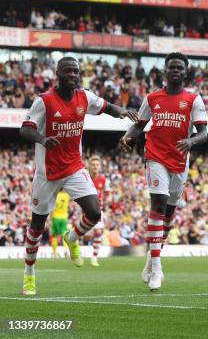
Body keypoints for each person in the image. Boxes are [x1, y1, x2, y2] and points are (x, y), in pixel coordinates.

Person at [19, 56, 138, 295]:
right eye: (68, 71)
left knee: (94, 212)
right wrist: (43, 139)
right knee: (37, 226)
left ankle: (72, 237)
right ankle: (29, 275)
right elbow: (25, 129)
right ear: (57, 73)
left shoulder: (84, 97)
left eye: (76, 71)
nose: (73, 75)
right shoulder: (44, 101)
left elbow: (106, 107)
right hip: (48, 173)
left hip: (74, 166)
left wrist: (124, 112)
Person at [119, 52, 208, 292]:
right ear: (165, 71)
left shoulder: (193, 99)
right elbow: (140, 124)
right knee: (157, 203)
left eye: (180, 68)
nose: (176, 71)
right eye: (172, 67)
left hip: (180, 159)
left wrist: (191, 142)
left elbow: (203, 133)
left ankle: (151, 258)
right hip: (155, 155)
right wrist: (128, 136)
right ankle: (157, 268)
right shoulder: (152, 97)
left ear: (185, 72)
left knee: (168, 215)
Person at [88, 155, 106, 266]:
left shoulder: (103, 180)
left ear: (100, 167)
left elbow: (106, 194)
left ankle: (94, 257)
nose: (95, 167)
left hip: (98, 210)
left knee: (98, 232)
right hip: (86, 209)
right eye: (93, 165)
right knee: (81, 233)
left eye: (97, 165)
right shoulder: (86, 178)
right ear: (89, 166)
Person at [50, 189, 70, 259]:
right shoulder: (67, 195)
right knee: (64, 234)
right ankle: (66, 250)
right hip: (64, 218)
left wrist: (50, 218)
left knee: (54, 236)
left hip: (56, 217)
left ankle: (54, 253)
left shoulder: (55, 195)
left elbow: (52, 207)